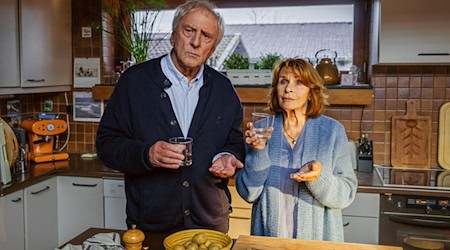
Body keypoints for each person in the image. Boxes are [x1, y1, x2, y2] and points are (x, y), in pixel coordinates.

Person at [96, 0, 245, 234]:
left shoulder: (224, 90)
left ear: (213, 47)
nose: (196, 42)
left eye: (206, 36)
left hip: (209, 225)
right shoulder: (134, 82)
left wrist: (228, 155)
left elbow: (235, 141)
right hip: (151, 224)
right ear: (173, 34)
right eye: (189, 31)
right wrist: (147, 154)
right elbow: (106, 145)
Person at [235, 58, 357, 241]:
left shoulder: (332, 132)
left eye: (298, 82)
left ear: (311, 92)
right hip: (270, 241)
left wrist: (318, 179)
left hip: (317, 243)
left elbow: (346, 194)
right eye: (283, 81)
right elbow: (249, 193)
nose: (288, 88)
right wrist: (259, 151)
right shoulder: (261, 130)